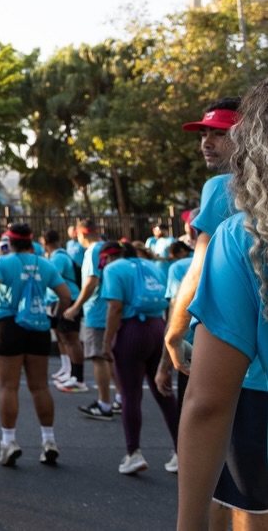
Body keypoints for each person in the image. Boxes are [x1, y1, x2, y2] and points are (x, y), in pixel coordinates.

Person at [166, 97, 268, 526]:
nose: (207, 142)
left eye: (220, 133)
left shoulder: (224, 196)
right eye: (203, 133)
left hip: (249, 374)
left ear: (250, 140)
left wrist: (173, 332)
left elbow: (200, 267)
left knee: (245, 497)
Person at [0, 222, 72, 466]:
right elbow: (65, 295)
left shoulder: (3, 262)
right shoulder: (45, 263)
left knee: (8, 387)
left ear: (9, 241)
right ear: (31, 241)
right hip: (37, 327)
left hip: (7, 326)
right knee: (40, 387)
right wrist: (54, 317)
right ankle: (49, 440)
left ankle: (8, 442)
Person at [96, 241, 179, 475]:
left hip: (131, 330)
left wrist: (107, 342)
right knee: (165, 392)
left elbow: (115, 308)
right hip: (157, 327)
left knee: (130, 395)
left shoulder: (114, 270)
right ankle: (181, 451)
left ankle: (133, 453)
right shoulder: (150, 265)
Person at [64, 219, 120, 419]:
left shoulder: (91, 252)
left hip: (97, 309)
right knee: (111, 355)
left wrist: (75, 306)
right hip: (113, 306)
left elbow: (91, 281)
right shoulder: (108, 246)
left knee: (99, 357)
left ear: (81, 234)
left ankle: (104, 404)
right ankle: (120, 399)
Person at [43, 230, 87, 393]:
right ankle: (70, 371)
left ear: (45, 242)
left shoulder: (59, 257)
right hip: (58, 300)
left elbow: (52, 277)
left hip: (67, 299)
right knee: (64, 338)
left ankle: (78, 378)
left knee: (72, 339)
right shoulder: (59, 255)